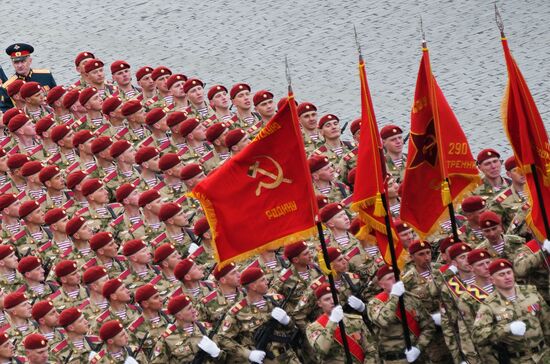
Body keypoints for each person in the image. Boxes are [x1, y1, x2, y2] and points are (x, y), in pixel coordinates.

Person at [472, 258, 550, 362]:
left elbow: (546, 321)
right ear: (492, 280)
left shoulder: (531, 292)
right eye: (501, 275)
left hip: (544, 355)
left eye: (509, 272)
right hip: (518, 359)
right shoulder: (489, 305)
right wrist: (506, 329)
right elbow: (477, 336)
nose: (507, 277)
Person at [219, 266, 301, 363]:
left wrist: (287, 321)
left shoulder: (276, 300)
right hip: (264, 360)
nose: (267, 282)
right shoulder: (237, 312)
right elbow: (222, 339)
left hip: (289, 357)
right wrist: (248, 354)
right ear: (253, 286)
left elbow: (295, 328)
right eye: (263, 280)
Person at [368, 265, 436, 363]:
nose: (395, 280)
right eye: (390, 278)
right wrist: (394, 296)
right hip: (395, 359)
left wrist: (418, 347)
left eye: (396, 276)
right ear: (381, 284)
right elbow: (383, 321)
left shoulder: (412, 298)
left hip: (419, 357)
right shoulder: (375, 303)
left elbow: (428, 326)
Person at [306, 283, 379, 363]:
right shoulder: (313, 328)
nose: (332, 301)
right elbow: (321, 350)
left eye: (334, 297)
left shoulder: (355, 320)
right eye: (327, 299)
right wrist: (332, 322)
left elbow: (371, 350)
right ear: (319, 303)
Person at [152, 294, 224, 363]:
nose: (194, 311)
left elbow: (227, 358)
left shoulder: (206, 328)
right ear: (179, 316)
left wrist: (217, 354)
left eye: (192, 307)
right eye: (189, 309)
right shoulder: (167, 338)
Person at [0, 43, 56, 112]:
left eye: (23, 61)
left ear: (30, 61)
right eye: (16, 63)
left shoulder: (45, 75)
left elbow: (56, 98)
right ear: (12, 63)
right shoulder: (7, 86)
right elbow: (5, 111)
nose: (19, 65)